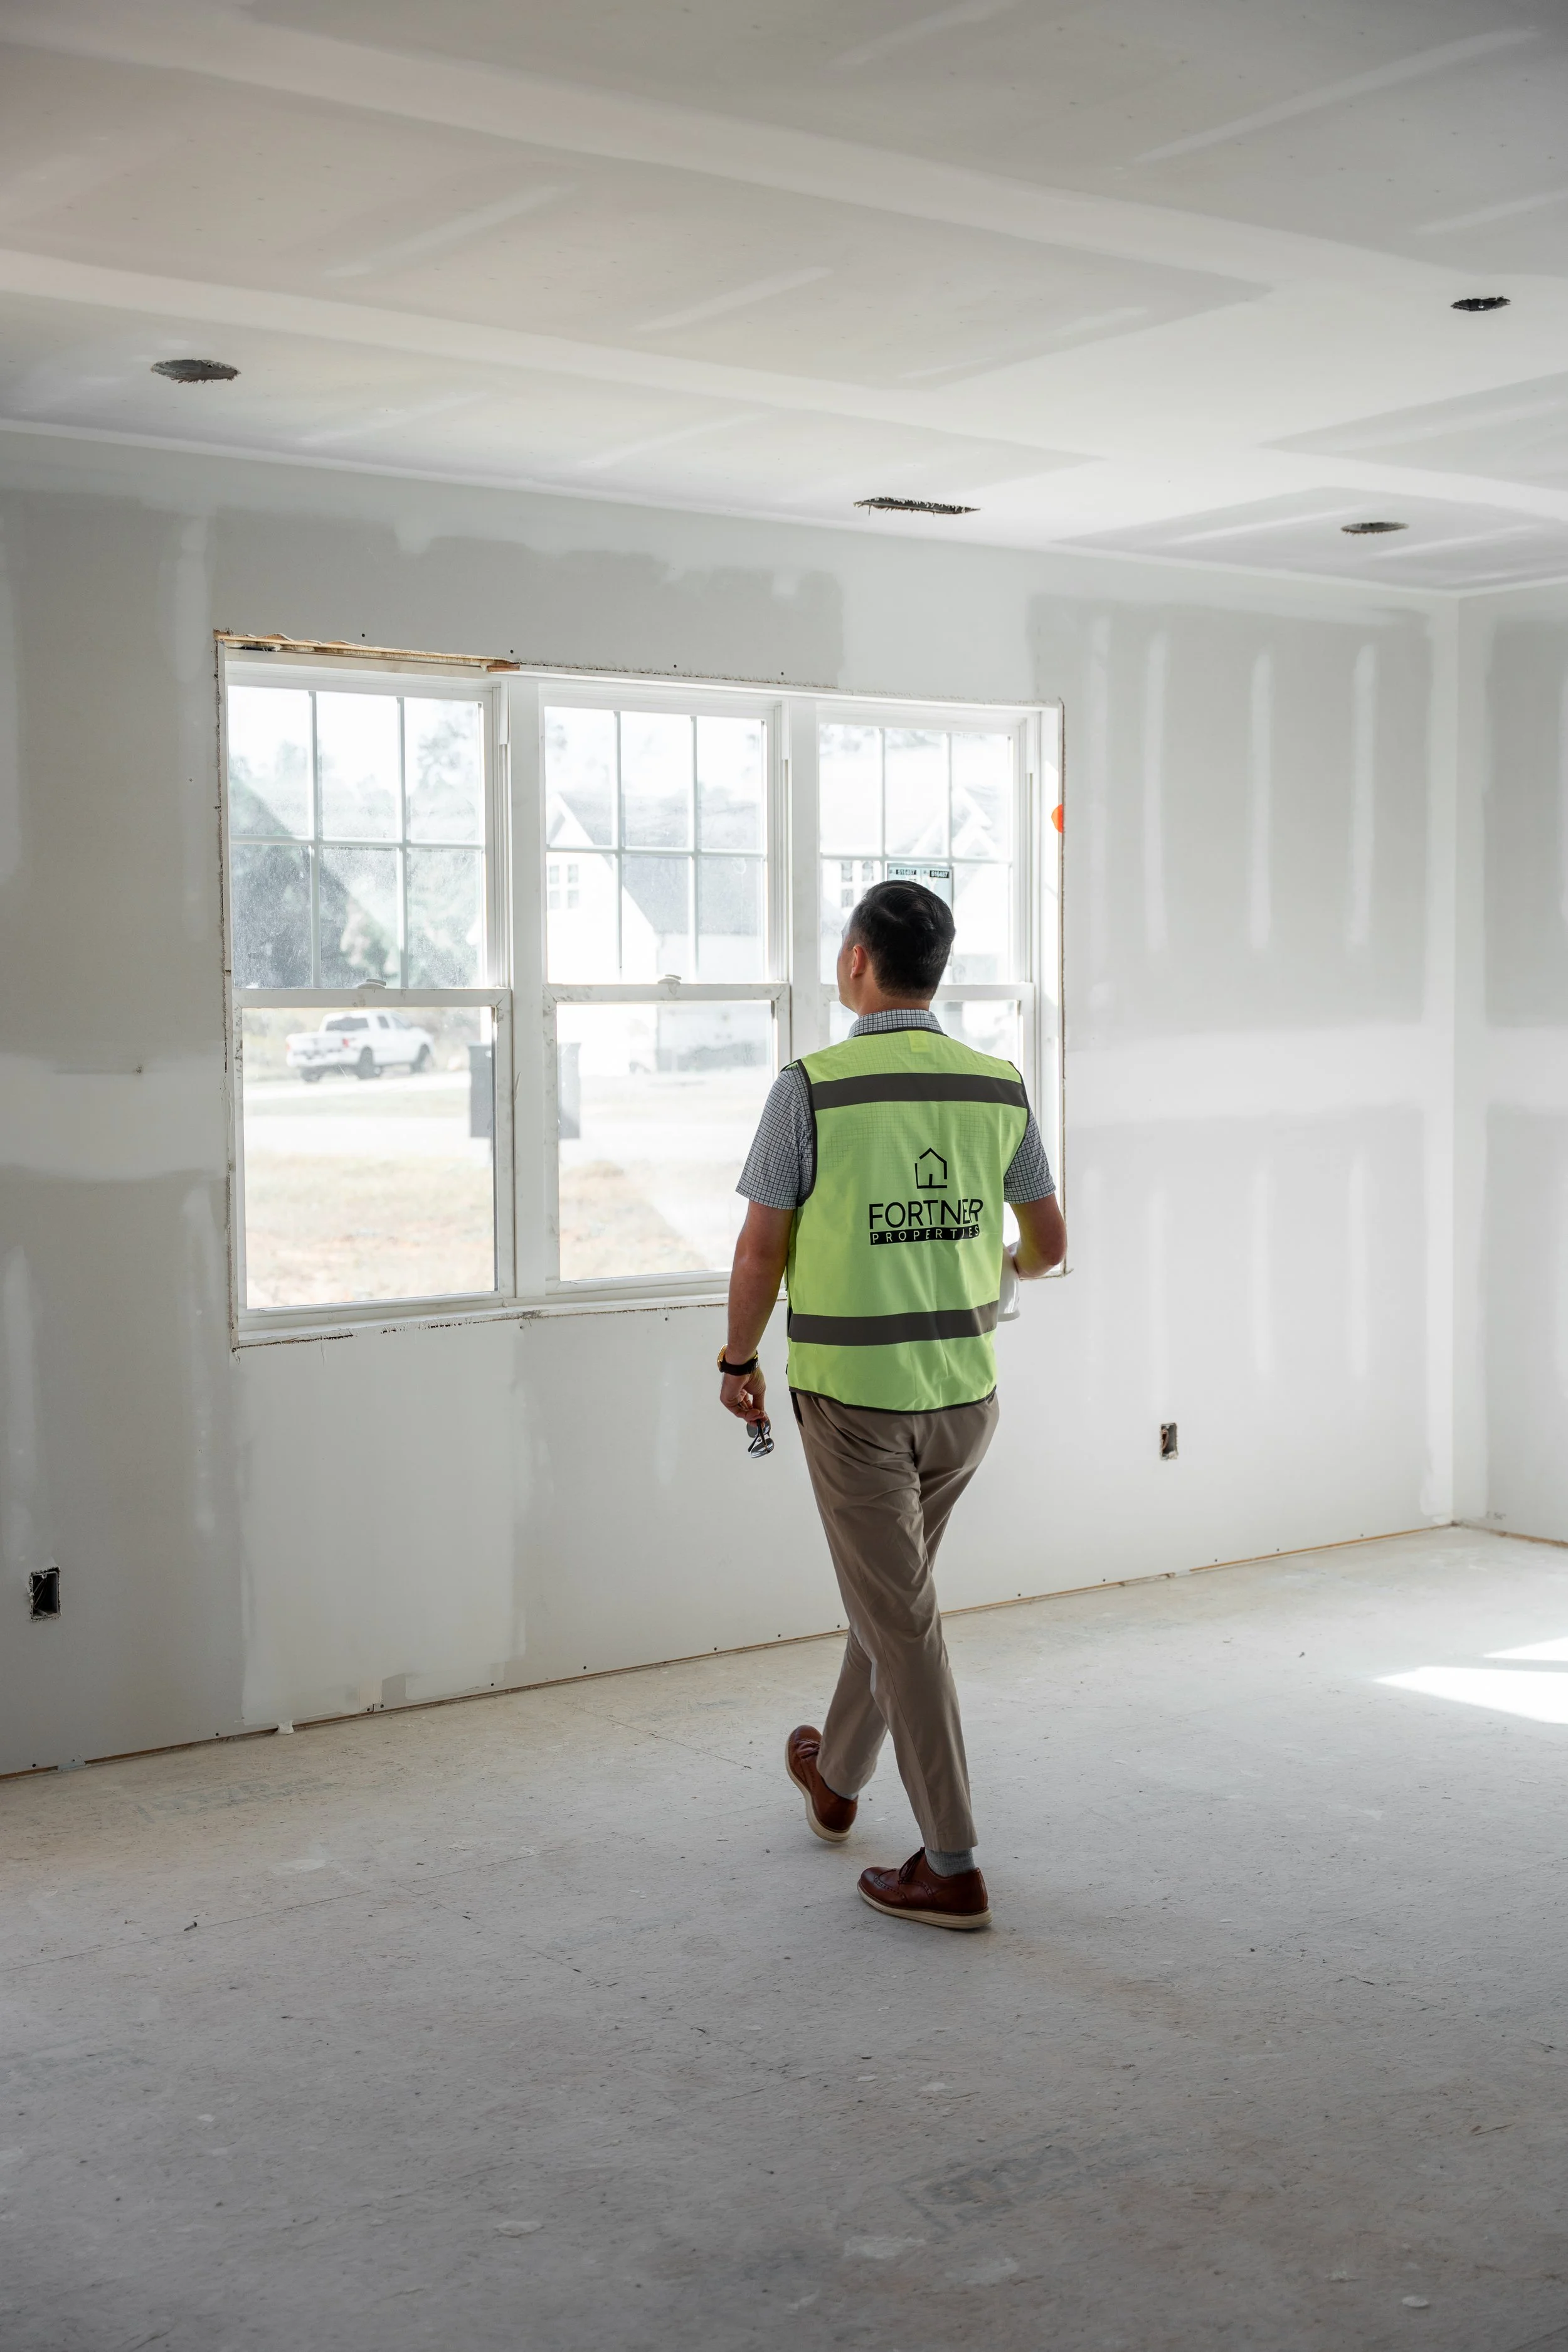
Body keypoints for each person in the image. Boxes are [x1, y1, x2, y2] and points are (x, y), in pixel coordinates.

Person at [718, 880, 1066, 1930]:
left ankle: (951, 1862)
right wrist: (990, 1263)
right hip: (963, 1397)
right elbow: (1050, 1247)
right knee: (893, 1598)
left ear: (858, 960)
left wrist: (736, 1360)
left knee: (902, 1616)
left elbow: (760, 1247)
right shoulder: (997, 1086)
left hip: (854, 1403)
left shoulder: (812, 1087)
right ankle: (835, 1782)